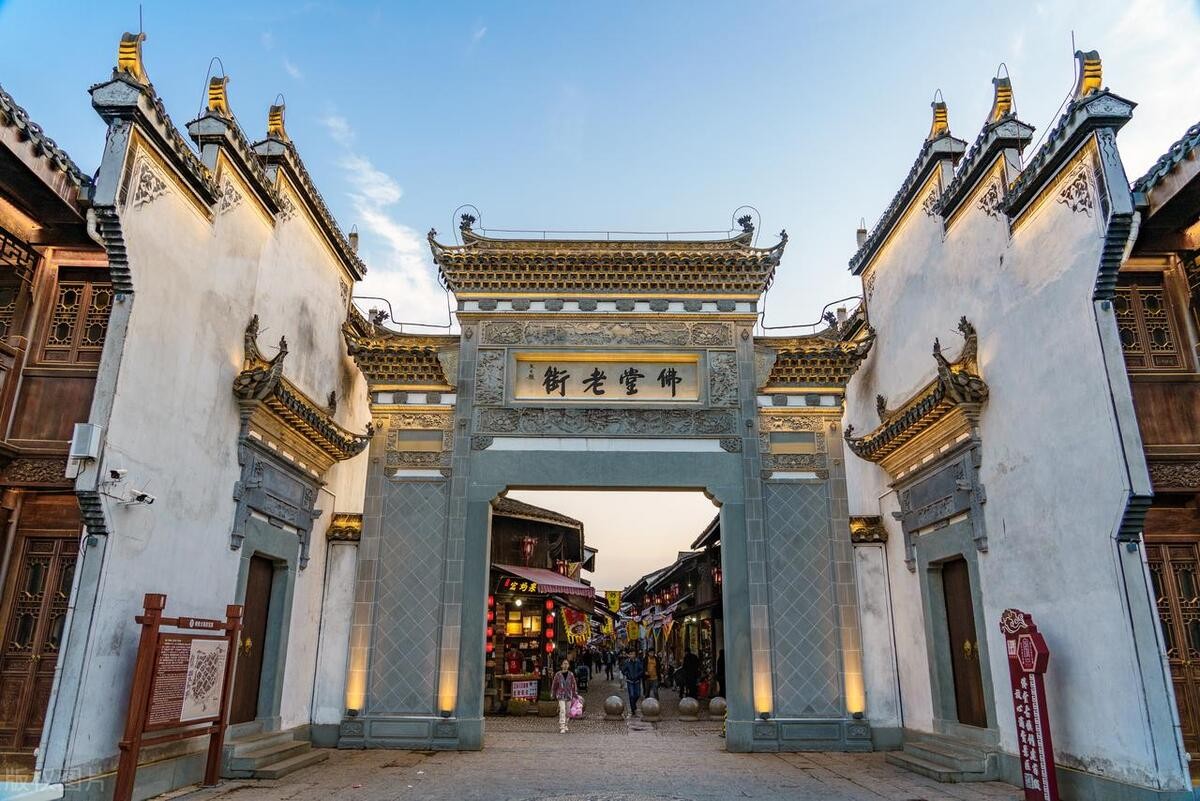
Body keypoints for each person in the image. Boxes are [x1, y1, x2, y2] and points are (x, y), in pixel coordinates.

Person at [551, 659, 578, 734]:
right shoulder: (558, 675)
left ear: (568, 665)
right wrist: (553, 693)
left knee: (568, 711)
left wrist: (575, 694)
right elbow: (554, 685)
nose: (565, 665)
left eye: (567, 664)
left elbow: (574, 684)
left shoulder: (571, 675)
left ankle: (566, 724)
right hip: (561, 695)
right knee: (562, 710)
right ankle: (562, 726)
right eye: (564, 663)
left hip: (569, 695)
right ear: (561, 665)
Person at [621, 649, 644, 714]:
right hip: (630, 681)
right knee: (631, 695)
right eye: (630, 654)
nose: (632, 655)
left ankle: (633, 705)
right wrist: (627, 674)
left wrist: (638, 675)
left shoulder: (638, 661)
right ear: (629, 655)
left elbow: (641, 670)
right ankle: (633, 709)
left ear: (635, 655)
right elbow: (623, 670)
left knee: (637, 694)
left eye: (633, 654)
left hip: (637, 681)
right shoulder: (627, 662)